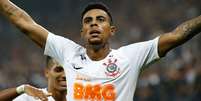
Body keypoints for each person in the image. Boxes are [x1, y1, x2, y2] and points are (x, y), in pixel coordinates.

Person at [0, 0, 200, 101]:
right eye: (88, 21)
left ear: (112, 30)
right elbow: (23, 22)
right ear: (82, 32)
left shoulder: (129, 57)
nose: (93, 24)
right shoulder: (68, 53)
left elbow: (177, 36)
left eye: (100, 20)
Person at [0, 56, 67, 101]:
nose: (65, 75)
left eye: (69, 71)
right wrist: (22, 88)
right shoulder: (31, 98)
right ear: (47, 72)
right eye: (58, 70)